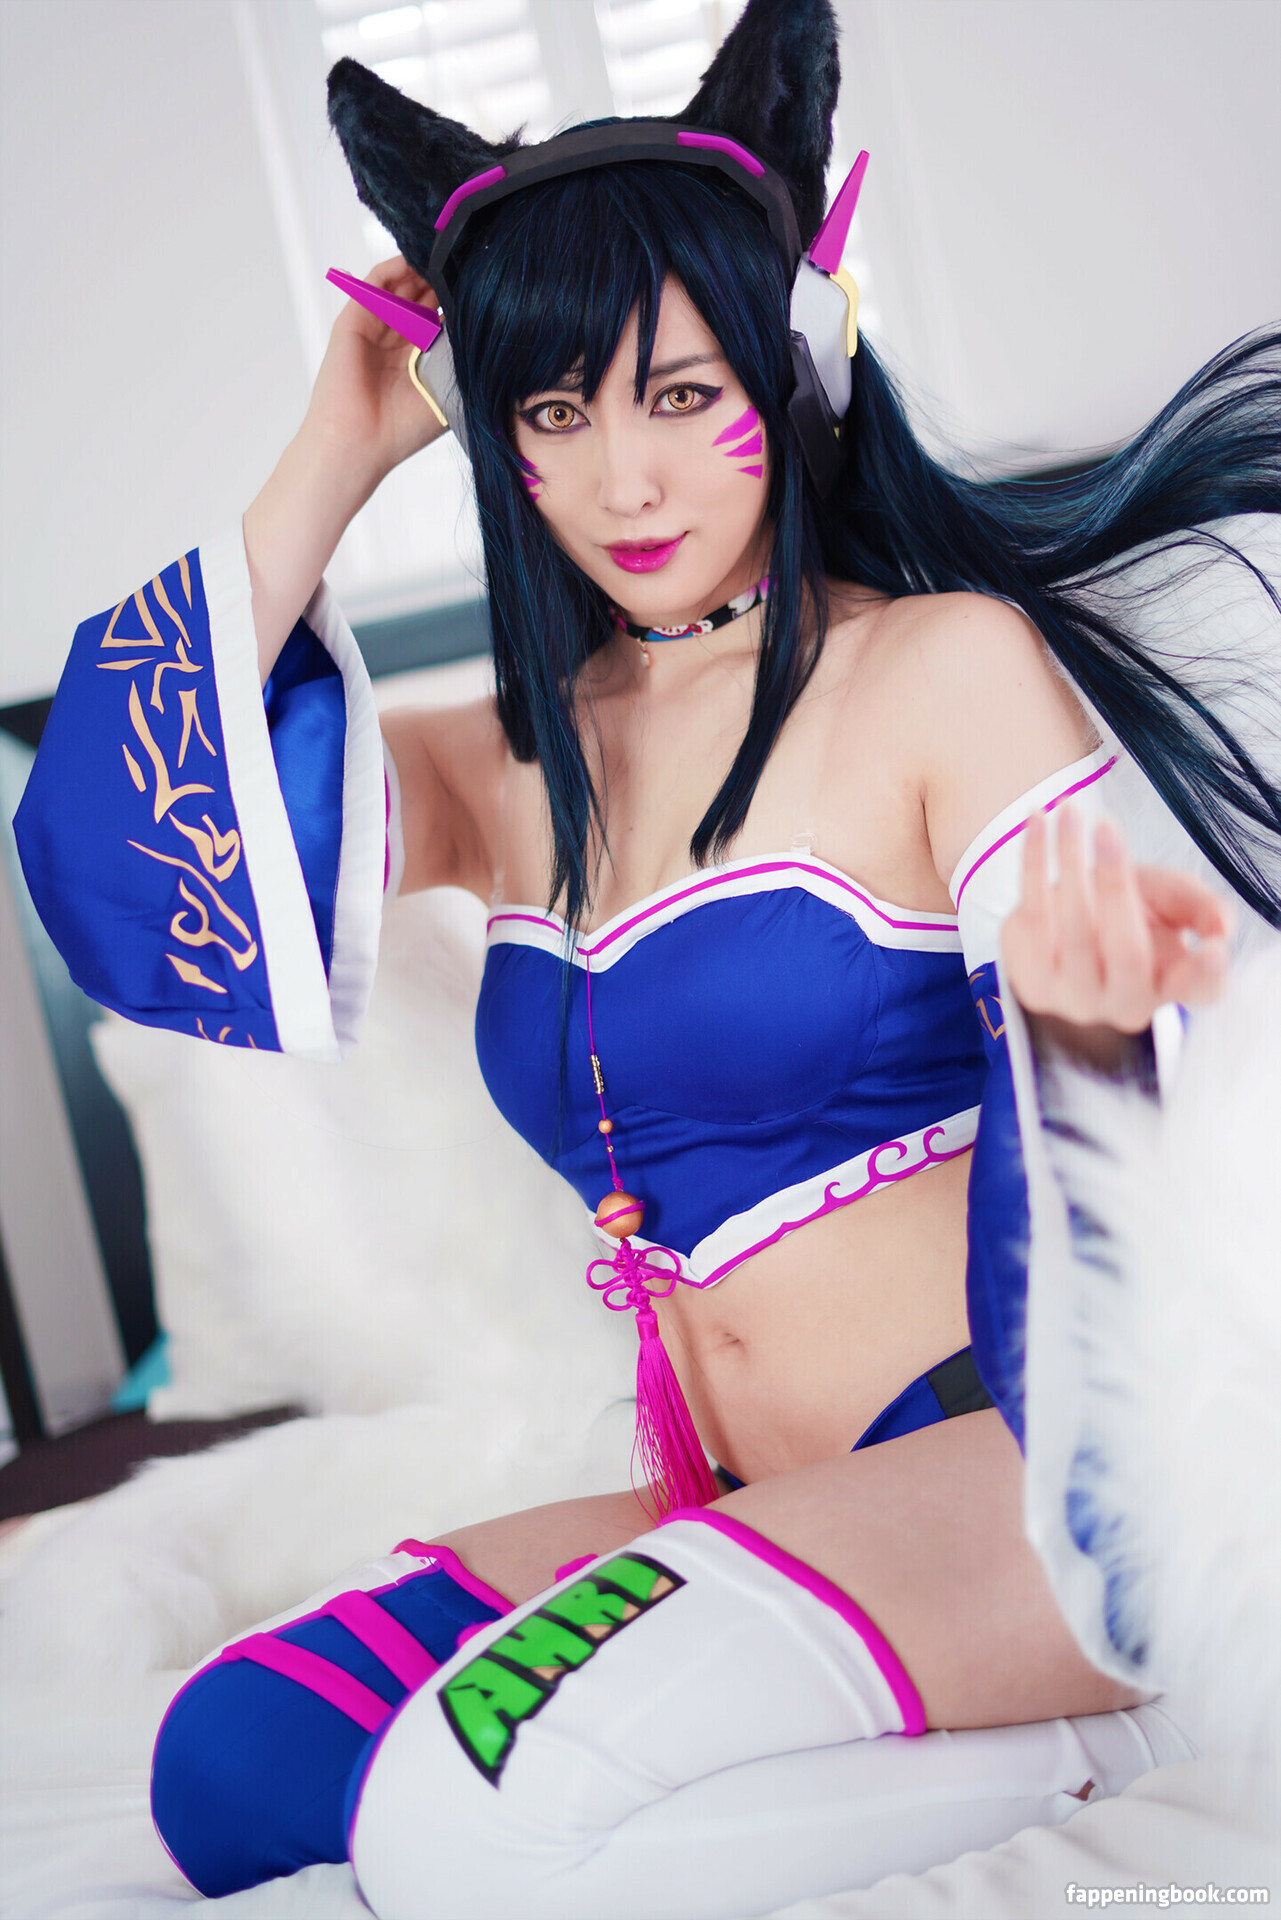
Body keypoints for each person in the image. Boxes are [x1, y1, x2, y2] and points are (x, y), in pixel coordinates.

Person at [13, 2, 1280, 1912]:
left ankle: (1113, 1717)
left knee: (459, 1821)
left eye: (681, 395)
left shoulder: (940, 670)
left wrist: (1088, 1028)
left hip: (1019, 1466)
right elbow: (125, 863)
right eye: (554, 412)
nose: (626, 481)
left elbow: (1125, 1113)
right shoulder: (496, 764)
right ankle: (905, 1712)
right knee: (237, 1763)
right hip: (754, 1499)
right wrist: (342, 437)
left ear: (790, 364)